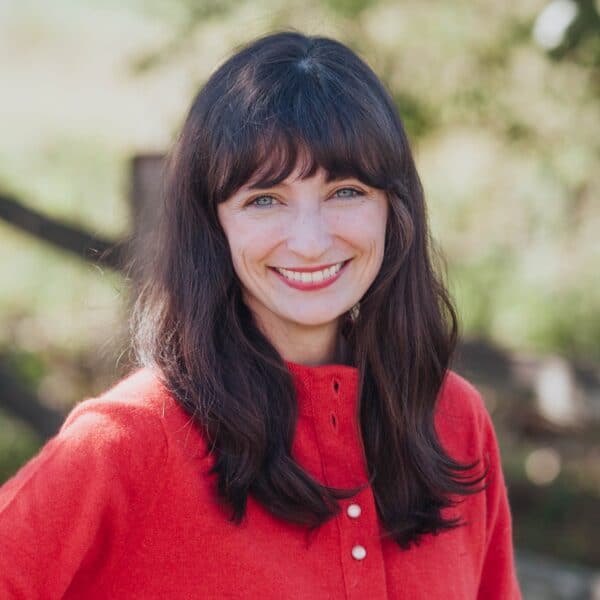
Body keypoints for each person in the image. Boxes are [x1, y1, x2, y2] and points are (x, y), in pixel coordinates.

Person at [0, 31, 522, 599]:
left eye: (345, 192)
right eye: (264, 200)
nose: (310, 242)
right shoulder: (129, 438)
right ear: (212, 222)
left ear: (393, 209)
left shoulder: (455, 420)